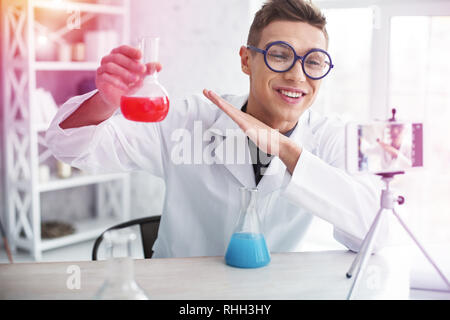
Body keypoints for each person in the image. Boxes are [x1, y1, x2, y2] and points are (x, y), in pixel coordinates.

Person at [46, 0, 387, 258]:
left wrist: (287, 151)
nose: (298, 76)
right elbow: (71, 147)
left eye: (313, 61)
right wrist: (106, 100)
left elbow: (372, 233)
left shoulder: (331, 135)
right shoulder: (190, 119)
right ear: (245, 60)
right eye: (280, 55)